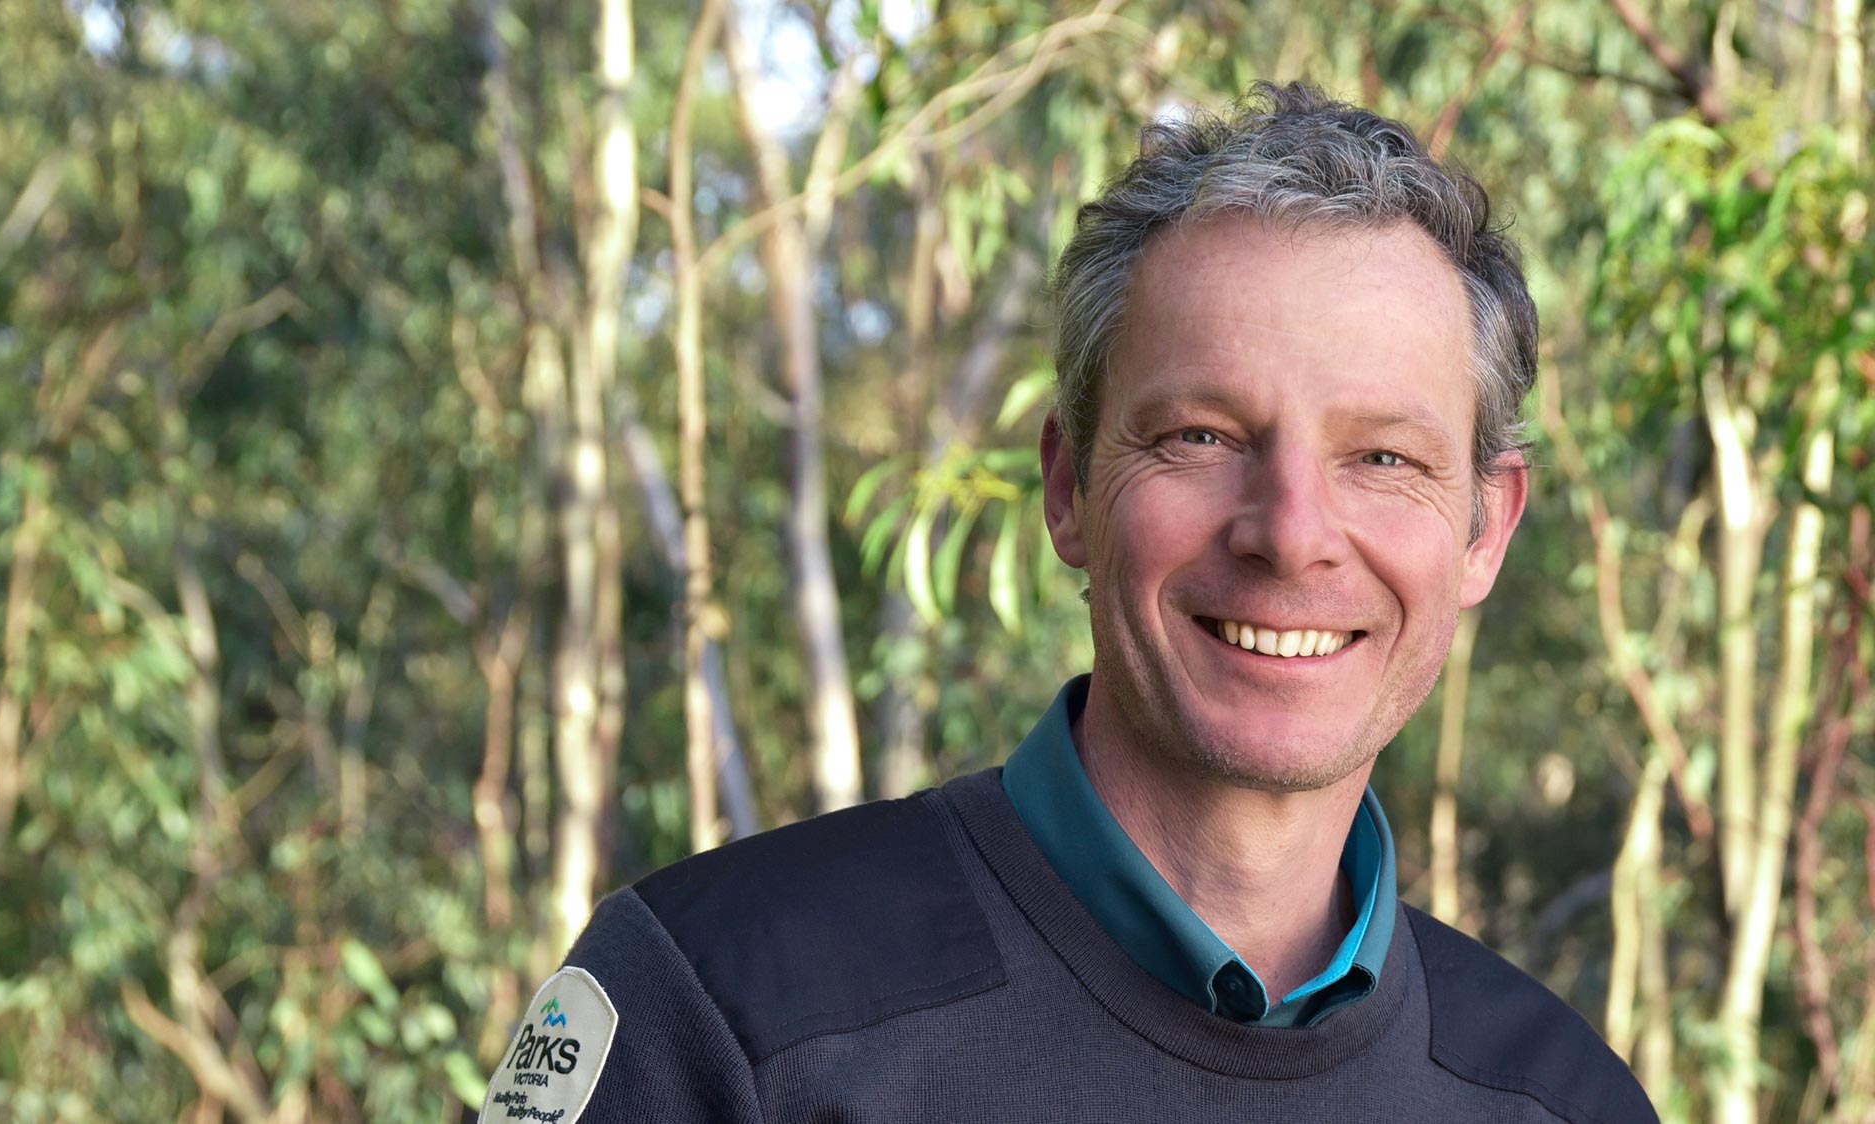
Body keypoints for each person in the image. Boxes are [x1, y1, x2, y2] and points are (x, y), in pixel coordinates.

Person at [478, 82, 1659, 1124]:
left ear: (1485, 527)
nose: (1292, 532)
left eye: (1385, 459)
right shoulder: (725, 1011)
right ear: (1067, 486)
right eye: (1201, 435)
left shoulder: (1565, 1100)